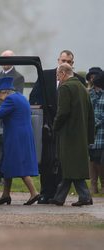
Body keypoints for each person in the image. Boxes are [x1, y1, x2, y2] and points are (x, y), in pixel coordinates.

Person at [29, 50, 86, 204]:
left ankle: (58, 195)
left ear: (73, 64)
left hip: (67, 127)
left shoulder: (79, 80)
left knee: (63, 162)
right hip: (48, 125)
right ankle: (46, 193)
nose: (66, 63)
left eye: (69, 61)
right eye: (63, 60)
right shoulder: (45, 75)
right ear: (58, 60)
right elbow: (34, 97)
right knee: (48, 160)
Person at [0, 77, 40, 205]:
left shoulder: (10, 100)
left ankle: (34, 192)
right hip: (22, 134)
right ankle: (5, 195)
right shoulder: (20, 97)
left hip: (16, 136)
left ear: (4, 92)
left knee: (19, 163)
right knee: (8, 163)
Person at [49, 63, 95, 206]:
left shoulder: (65, 88)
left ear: (63, 73)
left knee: (71, 166)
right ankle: (60, 198)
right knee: (71, 166)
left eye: (58, 75)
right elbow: (90, 115)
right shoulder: (82, 88)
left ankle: (85, 197)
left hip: (68, 134)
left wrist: (55, 127)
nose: (58, 78)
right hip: (80, 134)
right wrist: (89, 135)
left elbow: (62, 112)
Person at [88, 71, 104, 194]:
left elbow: (101, 114)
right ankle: (93, 185)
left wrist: (94, 123)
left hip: (100, 131)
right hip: (90, 132)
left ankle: (102, 183)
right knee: (93, 158)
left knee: (100, 158)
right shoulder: (89, 93)